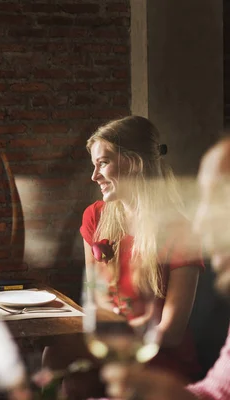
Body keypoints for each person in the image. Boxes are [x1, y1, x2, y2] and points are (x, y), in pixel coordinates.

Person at [44, 116, 203, 398]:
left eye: (103, 163)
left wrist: (115, 340)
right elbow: (96, 303)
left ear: (134, 163)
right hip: (111, 350)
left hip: (159, 359)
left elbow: (172, 332)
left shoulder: (180, 229)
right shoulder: (95, 216)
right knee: (55, 361)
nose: (94, 176)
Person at [100, 137, 230, 400]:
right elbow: (218, 392)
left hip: (168, 360)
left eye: (220, 199)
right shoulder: (103, 217)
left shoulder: (173, 232)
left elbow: (169, 332)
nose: (201, 223)